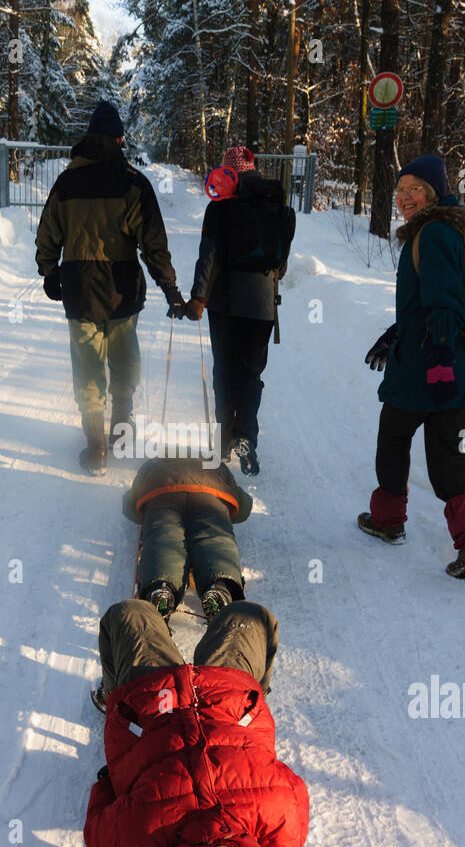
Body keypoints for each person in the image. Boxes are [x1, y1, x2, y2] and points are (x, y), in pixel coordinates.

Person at [84, 598, 309, 847]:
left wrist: (113, 779)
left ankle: (111, 690)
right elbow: (288, 779)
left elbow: (97, 824)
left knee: (127, 614)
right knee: (252, 617)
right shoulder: (285, 822)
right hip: (229, 693)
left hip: (150, 698)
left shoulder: (135, 839)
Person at [359, 154, 465, 578]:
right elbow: (431, 300)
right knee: (447, 453)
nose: (404, 198)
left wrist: (437, 359)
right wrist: (396, 331)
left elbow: (445, 304)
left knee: (394, 436)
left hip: (430, 367)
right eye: (399, 190)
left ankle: (387, 520)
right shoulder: (446, 229)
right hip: (456, 364)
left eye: (413, 189)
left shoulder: (433, 233)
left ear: (433, 192)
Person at [35, 100, 185, 475]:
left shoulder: (67, 181)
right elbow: (153, 243)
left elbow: (47, 233)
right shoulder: (133, 182)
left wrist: (49, 271)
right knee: (123, 360)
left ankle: (96, 448)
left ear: (89, 138)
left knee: (87, 366)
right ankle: (120, 431)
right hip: (122, 292)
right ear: (119, 138)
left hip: (80, 290)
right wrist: (170, 288)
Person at [185, 145, 296, 477]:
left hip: (225, 303)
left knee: (225, 372)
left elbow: (209, 257)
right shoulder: (278, 207)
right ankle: (247, 441)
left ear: (227, 172)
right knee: (250, 375)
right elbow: (281, 263)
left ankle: (222, 443)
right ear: (254, 170)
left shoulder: (219, 208)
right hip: (262, 305)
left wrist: (197, 298)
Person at [122, 456, 252, 618]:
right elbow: (244, 506)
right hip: (210, 496)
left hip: (161, 494)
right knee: (214, 537)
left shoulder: (152, 464)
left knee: (164, 537)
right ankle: (220, 586)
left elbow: (129, 504)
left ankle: (161, 588)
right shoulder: (214, 463)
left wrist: (142, 514)